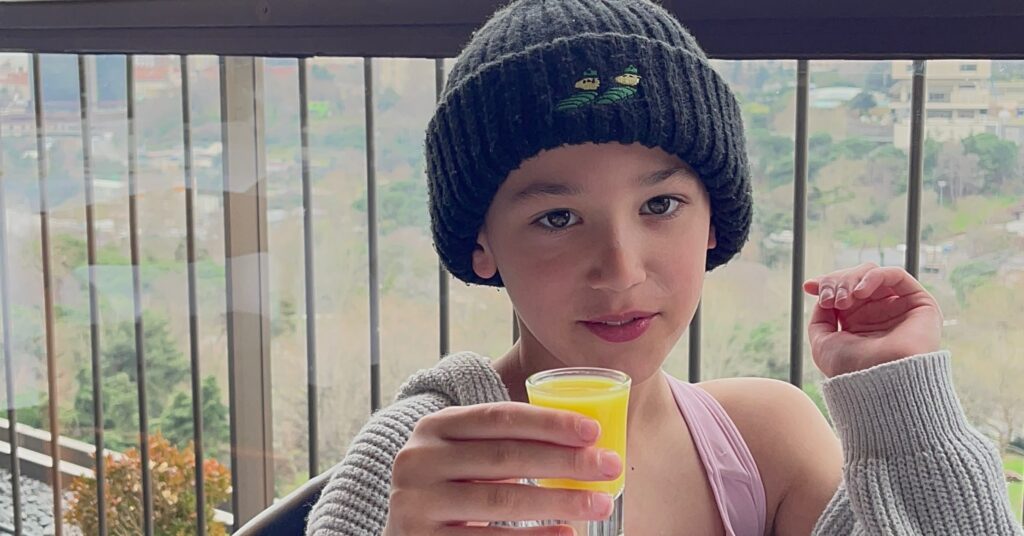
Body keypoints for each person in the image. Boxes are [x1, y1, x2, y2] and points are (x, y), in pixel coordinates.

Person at [305, 0, 1023, 534]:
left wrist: (900, 404)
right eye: (557, 218)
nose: (620, 270)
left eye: (661, 204)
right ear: (481, 243)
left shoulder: (765, 445)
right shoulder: (416, 464)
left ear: (715, 219)